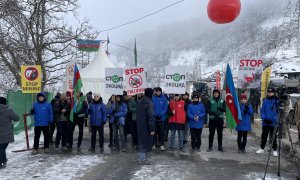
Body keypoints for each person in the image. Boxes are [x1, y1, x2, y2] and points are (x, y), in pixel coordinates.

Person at [256, 88, 279, 157]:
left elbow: (278, 112)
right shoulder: (265, 100)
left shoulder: (276, 101)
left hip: (273, 122)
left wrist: (273, 119)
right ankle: (262, 148)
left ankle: (274, 150)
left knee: (273, 136)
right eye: (269, 92)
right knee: (264, 135)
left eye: (272, 92)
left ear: (274, 93)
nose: (270, 93)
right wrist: (264, 118)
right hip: (265, 122)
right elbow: (262, 110)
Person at [136, 88, 155, 164]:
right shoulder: (149, 103)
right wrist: (152, 128)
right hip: (146, 125)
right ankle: (142, 159)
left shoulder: (139, 102)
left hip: (139, 124)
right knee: (145, 142)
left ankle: (140, 157)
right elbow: (150, 117)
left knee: (141, 141)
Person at [0, 97, 19, 168]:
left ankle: (3, 160)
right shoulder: (8, 110)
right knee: (2, 148)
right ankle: (2, 161)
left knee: (1, 148)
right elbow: (17, 118)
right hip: (6, 133)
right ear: (5, 103)